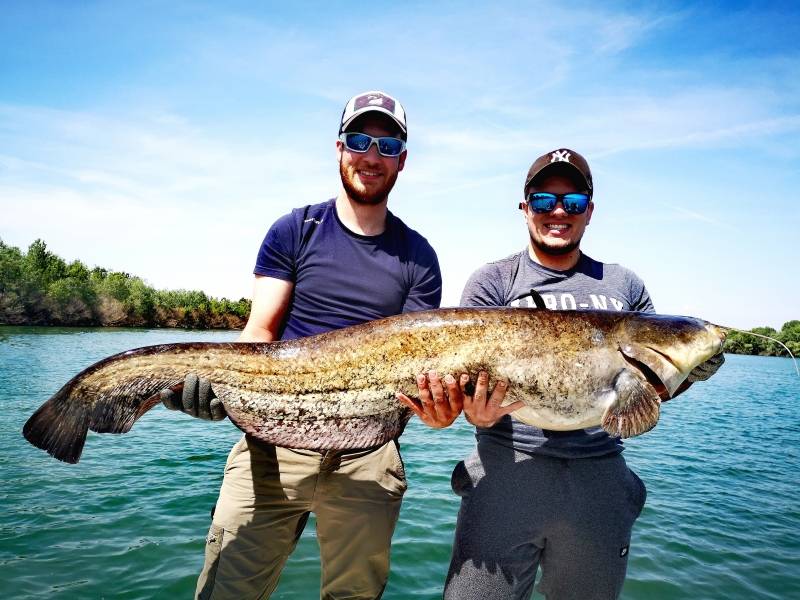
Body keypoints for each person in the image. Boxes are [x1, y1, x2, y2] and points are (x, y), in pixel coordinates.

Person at [162, 90, 461, 600]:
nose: (371, 156)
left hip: (370, 456)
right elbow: (260, 332)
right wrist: (219, 385)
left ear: (403, 161)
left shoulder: (419, 257)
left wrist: (439, 410)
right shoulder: (294, 231)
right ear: (339, 147)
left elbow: (420, 373)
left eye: (387, 146)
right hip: (271, 443)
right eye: (360, 140)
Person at [425, 148, 723, 600]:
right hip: (505, 471)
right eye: (544, 201)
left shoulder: (624, 285)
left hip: (598, 481)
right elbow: (467, 393)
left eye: (574, 202)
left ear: (590, 211)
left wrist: (686, 374)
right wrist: (475, 413)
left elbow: (648, 392)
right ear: (525, 208)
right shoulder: (493, 282)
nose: (558, 212)